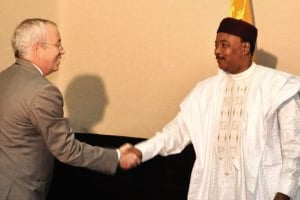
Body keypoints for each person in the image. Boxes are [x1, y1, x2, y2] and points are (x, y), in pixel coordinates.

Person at [121, 17, 300, 200]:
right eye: (216, 45)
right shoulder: (204, 91)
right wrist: (141, 151)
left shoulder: (279, 87)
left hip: (263, 192)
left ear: (245, 48)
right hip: (212, 190)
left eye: (224, 45)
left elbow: (294, 150)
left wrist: (284, 193)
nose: (217, 51)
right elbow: (175, 132)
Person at [0, 18, 140, 200]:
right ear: (38, 49)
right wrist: (116, 156)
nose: (62, 50)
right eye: (58, 44)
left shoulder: (4, 78)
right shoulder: (43, 92)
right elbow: (67, 150)